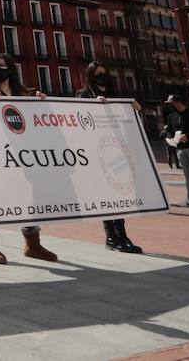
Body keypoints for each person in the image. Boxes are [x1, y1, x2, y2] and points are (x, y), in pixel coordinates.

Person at [0, 55, 57, 264]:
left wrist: (40, 103)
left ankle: (32, 244)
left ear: (10, 69)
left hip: (22, 152)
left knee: (30, 197)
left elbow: (33, 118)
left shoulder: (22, 92)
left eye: (1, 65)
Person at [78, 64, 143, 253]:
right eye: (98, 75)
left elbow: (128, 120)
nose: (103, 77)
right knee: (107, 196)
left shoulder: (117, 96)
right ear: (91, 76)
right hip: (97, 153)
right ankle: (112, 237)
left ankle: (121, 235)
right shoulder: (83, 95)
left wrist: (136, 110)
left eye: (105, 74)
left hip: (117, 152)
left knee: (118, 197)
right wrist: (93, 106)